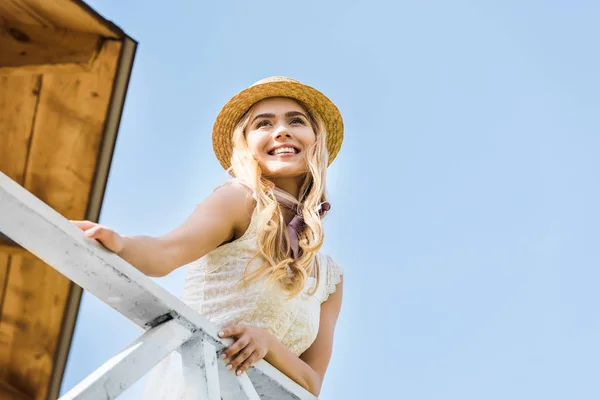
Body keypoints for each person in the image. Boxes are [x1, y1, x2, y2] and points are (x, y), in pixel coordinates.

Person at [72, 76, 344, 398]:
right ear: (246, 144)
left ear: (315, 139)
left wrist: (268, 344)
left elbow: (311, 383)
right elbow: (165, 252)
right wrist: (120, 243)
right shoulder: (239, 201)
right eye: (263, 124)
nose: (281, 130)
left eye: (296, 121)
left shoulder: (329, 277)